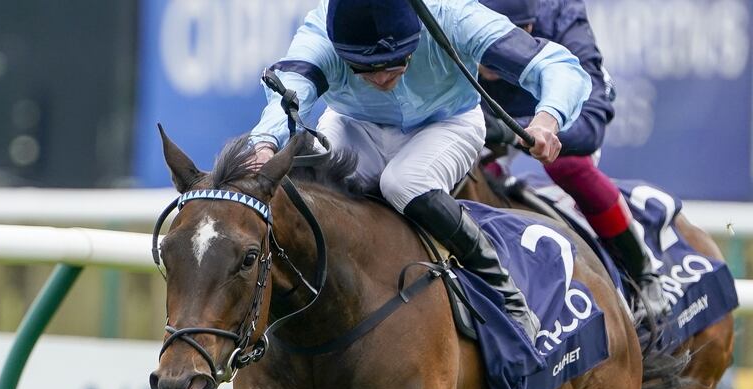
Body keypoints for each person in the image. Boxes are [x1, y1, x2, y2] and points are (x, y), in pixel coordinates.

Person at [248, 0, 591, 338]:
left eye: (397, 62)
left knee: (403, 182)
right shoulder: (321, 30)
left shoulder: (453, 15)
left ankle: (503, 290)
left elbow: (555, 64)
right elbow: (289, 91)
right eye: (363, 67)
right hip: (355, 124)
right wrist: (264, 143)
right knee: (308, 189)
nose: (382, 78)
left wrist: (547, 119)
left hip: (448, 123)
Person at [478, 0, 661, 303]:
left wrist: (513, 130)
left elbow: (589, 128)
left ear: (529, 29)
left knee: (567, 165)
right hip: (486, 113)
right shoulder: (449, 13)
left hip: (551, 107)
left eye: (500, 43)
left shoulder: (562, 18)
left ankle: (642, 273)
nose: (488, 56)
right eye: (481, 40)